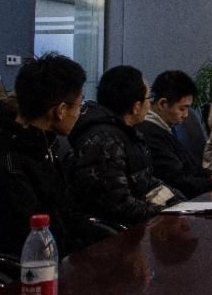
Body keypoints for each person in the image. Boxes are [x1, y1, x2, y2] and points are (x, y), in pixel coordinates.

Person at [0, 53, 108, 257]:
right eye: (79, 105)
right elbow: (31, 241)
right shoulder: (11, 163)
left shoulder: (46, 145)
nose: (79, 113)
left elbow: (69, 215)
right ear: (60, 110)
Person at [68, 65, 179, 226]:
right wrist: (167, 212)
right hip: (116, 233)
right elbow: (119, 206)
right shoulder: (105, 141)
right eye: (149, 98)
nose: (150, 104)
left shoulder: (125, 132)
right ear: (136, 106)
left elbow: (145, 180)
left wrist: (179, 203)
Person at [136, 70, 212, 199]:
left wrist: (210, 176)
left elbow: (189, 168)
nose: (186, 115)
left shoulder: (163, 129)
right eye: (182, 108)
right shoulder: (150, 134)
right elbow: (175, 179)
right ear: (162, 104)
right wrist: (211, 183)